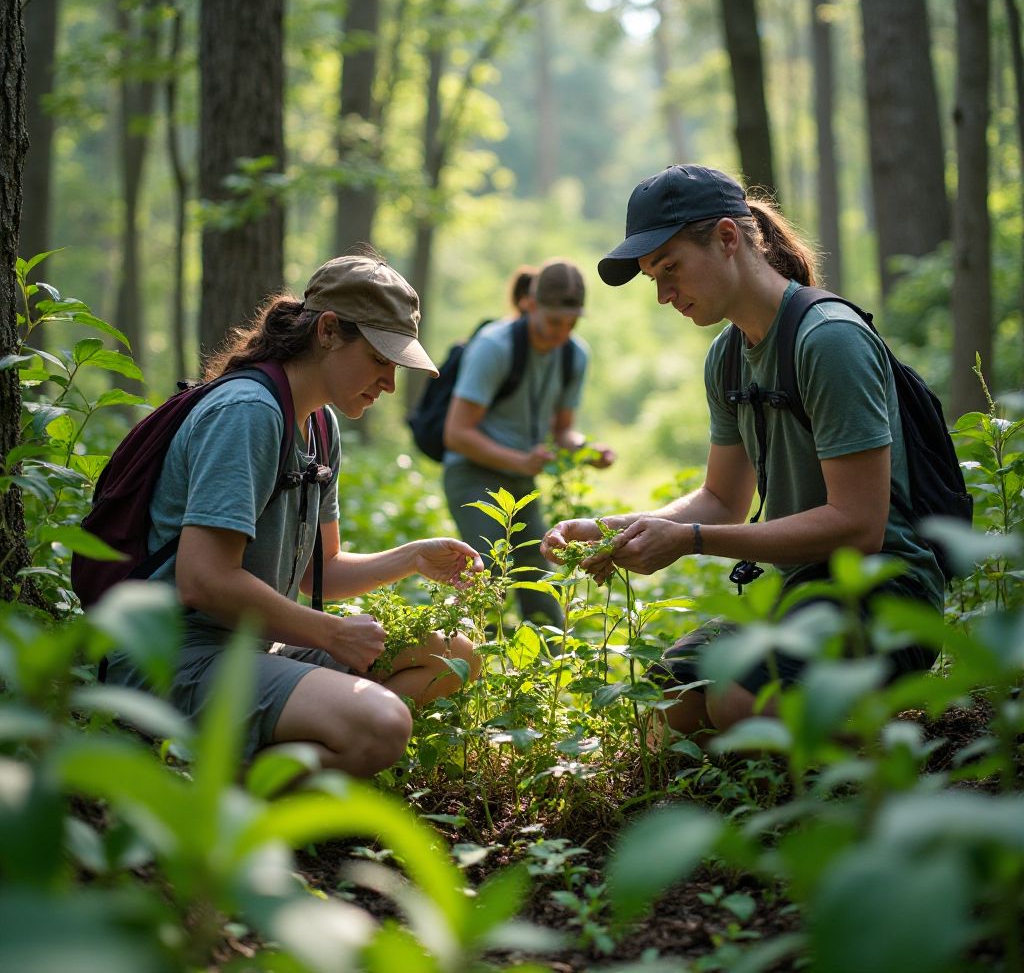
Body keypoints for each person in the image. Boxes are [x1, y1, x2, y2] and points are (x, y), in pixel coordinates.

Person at [542, 164, 943, 740]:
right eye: (654, 278)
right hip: (803, 592)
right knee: (665, 707)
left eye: (671, 268)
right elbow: (722, 499)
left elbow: (859, 527)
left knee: (743, 703)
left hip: (887, 592)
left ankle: (872, 768)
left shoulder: (828, 339)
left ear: (729, 238)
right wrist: (611, 529)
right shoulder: (727, 358)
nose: (663, 295)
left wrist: (690, 542)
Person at [105, 253, 484, 777]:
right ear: (329, 331)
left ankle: (257, 764)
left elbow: (318, 570)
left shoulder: (319, 425)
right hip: (174, 658)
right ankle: (221, 798)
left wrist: (412, 558)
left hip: (253, 649)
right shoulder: (248, 414)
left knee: (454, 657)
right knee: (382, 724)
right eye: (380, 360)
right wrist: (330, 633)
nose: (390, 383)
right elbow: (204, 581)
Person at [443, 258, 616, 627]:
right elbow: (456, 433)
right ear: (530, 304)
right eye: (555, 321)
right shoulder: (495, 347)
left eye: (572, 323)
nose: (562, 333)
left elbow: (563, 431)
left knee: (540, 578)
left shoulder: (574, 354)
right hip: (472, 472)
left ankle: (551, 672)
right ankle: (466, 661)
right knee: (485, 575)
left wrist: (588, 451)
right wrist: (519, 460)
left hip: (521, 479)